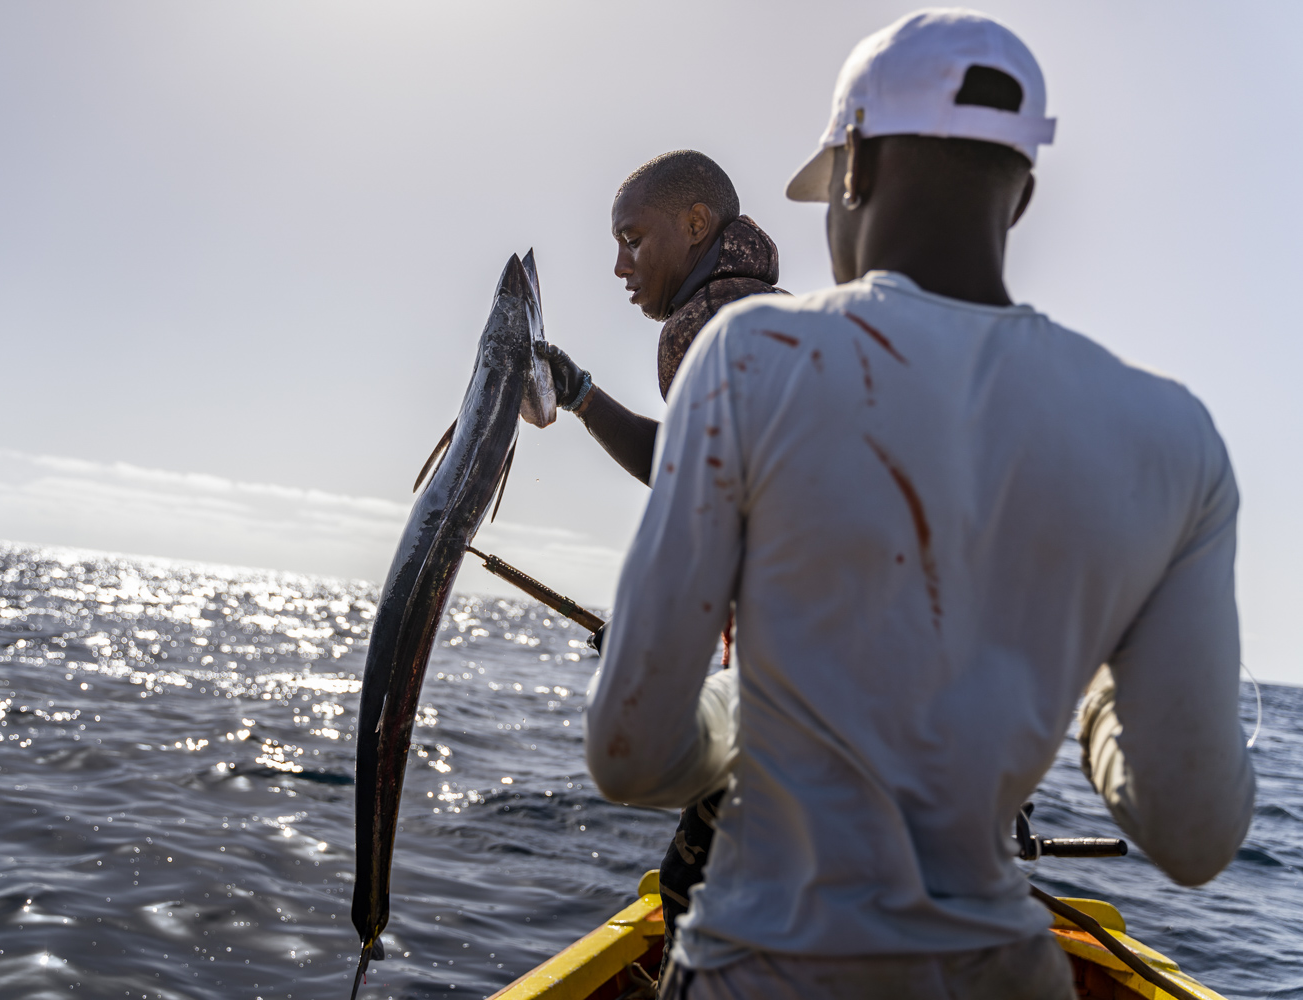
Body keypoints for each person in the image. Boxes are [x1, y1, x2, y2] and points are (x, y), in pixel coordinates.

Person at [583, 10, 1256, 1000]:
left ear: (852, 164)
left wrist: (751, 702)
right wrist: (1102, 693)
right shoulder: (1177, 439)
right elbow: (1194, 835)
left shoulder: (744, 357)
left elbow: (631, 754)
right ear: (1020, 196)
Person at [538, 150, 786, 958]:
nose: (620, 265)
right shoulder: (768, 313)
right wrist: (578, 394)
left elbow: (702, 508)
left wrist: (657, 654)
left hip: (798, 706)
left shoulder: (699, 330)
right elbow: (688, 465)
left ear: (694, 225)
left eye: (633, 240)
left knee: (695, 902)